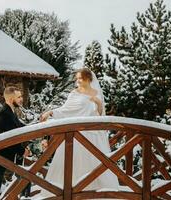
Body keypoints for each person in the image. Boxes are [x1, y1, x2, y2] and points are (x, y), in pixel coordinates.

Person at [38, 68, 120, 198]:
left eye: (80, 78)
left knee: (95, 165)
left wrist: (98, 103)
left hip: (92, 136)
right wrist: (51, 112)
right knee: (72, 164)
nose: (77, 81)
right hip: (75, 136)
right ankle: (67, 194)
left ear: (88, 79)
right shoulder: (74, 93)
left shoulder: (96, 92)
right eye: (77, 78)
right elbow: (66, 110)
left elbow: (100, 115)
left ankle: (96, 194)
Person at [0, 86, 30, 200]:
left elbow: (20, 128)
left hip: (9, 157)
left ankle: (25, 198)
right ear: (12, 99)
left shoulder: (11, 112)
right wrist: (23, 151)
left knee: (25, 179)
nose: (21, 99)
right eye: (19, 97)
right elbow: (8, 141)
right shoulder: (3, 116)